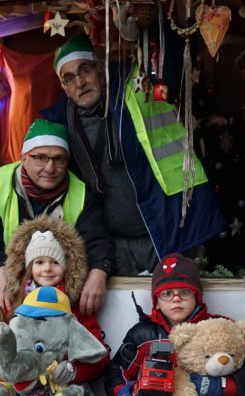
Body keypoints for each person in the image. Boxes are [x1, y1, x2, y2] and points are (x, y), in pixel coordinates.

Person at [41, 31, 226, 276]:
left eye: (85, 70)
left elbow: (171, 64)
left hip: (167, 226)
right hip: (111, 243)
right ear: (63, 87)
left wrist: (148, 25)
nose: (80, 83)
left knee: (178, 306)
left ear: (100, 68)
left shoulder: (136, 84)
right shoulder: (57, 123)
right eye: (69, 78)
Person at [0, 119, 113, 316]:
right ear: (24, 157)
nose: (50, 168)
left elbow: (98, 242)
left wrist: (99, 271)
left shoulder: (82, 193)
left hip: (58, 300)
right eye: (40, 157)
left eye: (59, 159)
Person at [104, 254, 245, 396]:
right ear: (157, 302)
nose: (176, 299)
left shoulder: (221, 327)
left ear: (197, 296)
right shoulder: (142, 334)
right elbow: (117, 370)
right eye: (167, 294)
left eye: (185, 292)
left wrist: (223, 386)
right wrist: (121, 392)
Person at [0, 215, 110, 385]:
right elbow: (3, 354)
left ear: (66, 267)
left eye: (55, 262)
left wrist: (75, 370)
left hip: (62, 389)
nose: (47, 269)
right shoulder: (17, 303)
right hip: (25, 390)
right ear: (30, 267)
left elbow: (100, 356)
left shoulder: (75, 305)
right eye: (39, 262)